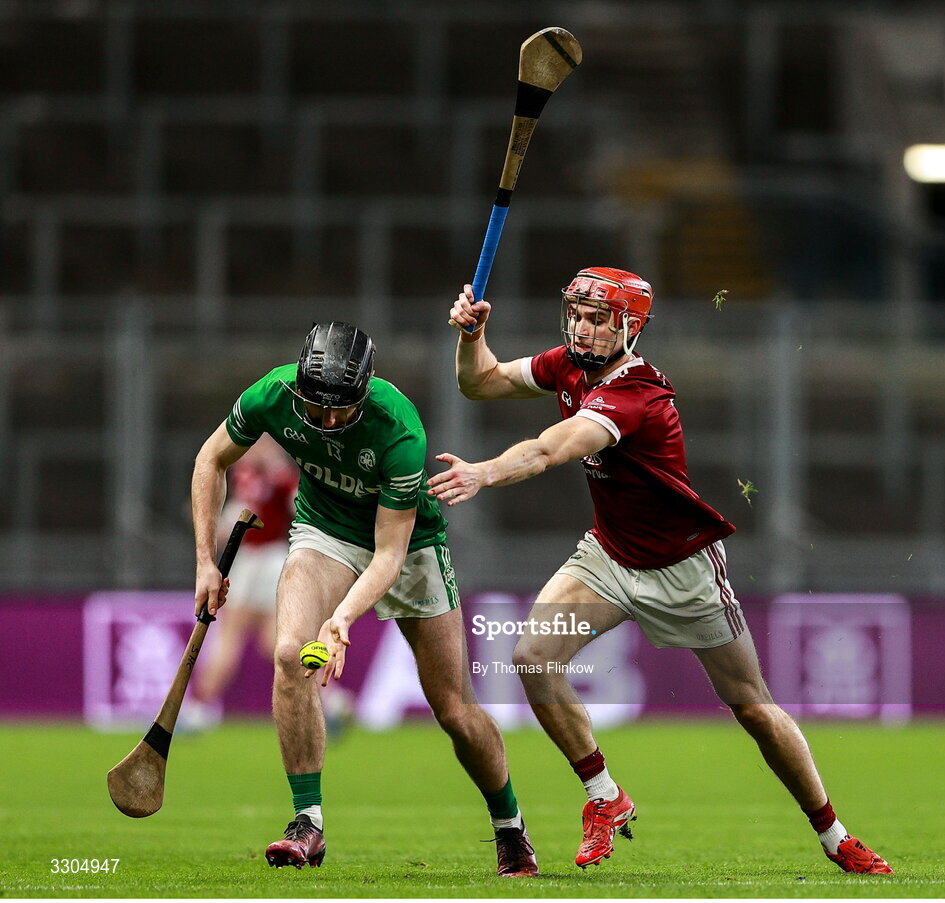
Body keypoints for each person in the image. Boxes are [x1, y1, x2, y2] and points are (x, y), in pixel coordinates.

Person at [428, 268, 893, 875]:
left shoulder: (637, 394)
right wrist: (471, 337)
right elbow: (482, 384)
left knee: (752, 706)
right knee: (532, 658)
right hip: (609, 555)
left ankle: (835, 836)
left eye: (600, 318)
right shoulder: (565, 364)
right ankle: (604, 797)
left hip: (683, 569)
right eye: (577, 313)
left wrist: (484, 472)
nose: (584, 328)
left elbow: (551, 447)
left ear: (631, 326)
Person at [192, 322, 537, 877]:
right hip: (324, 530)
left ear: (366, 388)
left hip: (406, 544)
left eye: (341, 409)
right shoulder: (273, 394)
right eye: (317, 406)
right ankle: (308, 824)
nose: (327, 421)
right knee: (287, 655)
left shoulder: (399, 430)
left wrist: (341, 619)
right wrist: (207, 561)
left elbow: (388, 555)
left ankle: (510, 827)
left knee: (454, 709)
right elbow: (211, 459)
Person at [181, 435, 298, 732]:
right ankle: (330, 699)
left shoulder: (269, 474)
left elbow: (286, 509)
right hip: (274, 560)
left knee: (229, 637)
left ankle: (199, 707)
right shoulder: (262, 473)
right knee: (274, 642)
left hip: (258, 560)